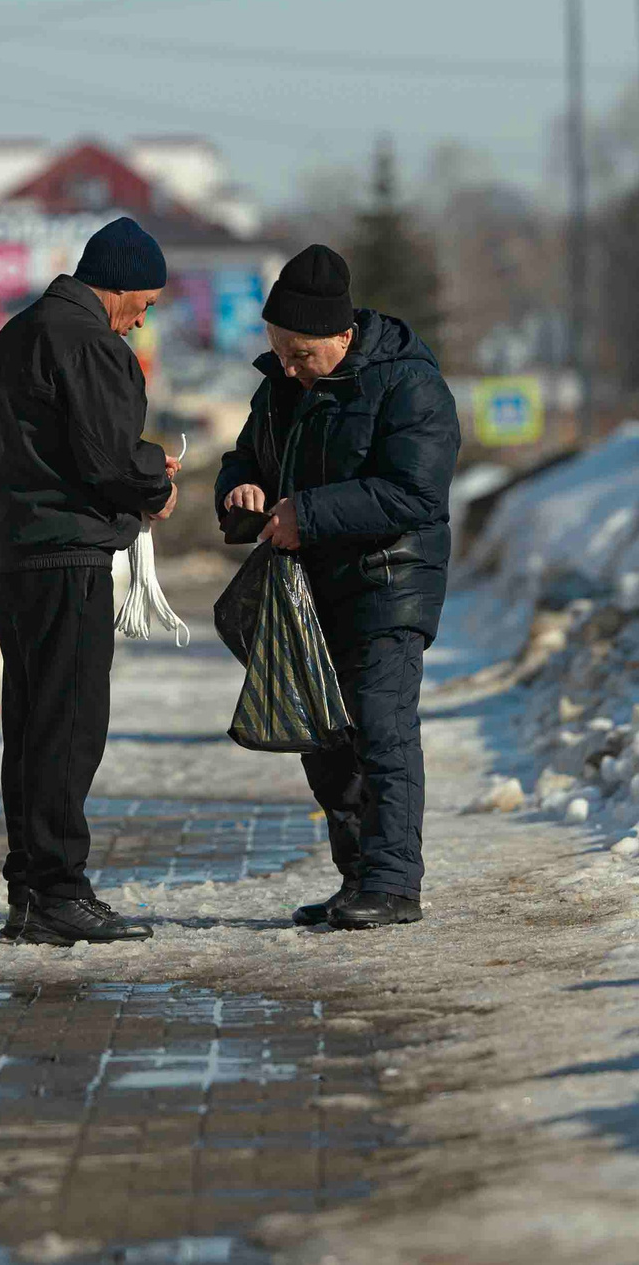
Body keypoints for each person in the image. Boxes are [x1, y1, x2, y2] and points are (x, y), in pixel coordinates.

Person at [216, 243, 459, 930]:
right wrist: (242, 492)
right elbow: (242, 458)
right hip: (307, 592)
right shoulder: (281, 387)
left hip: (388, 584)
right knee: (324, 740)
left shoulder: (408, 385)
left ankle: (393, 883)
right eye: (279, 351)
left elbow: (415, 493)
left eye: (301, 353)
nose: (289, 367)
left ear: (343, 335)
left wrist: (309, 514)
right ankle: (357, 881)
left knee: (382, 733)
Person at [0, 215, 182, 946]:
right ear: (119, 284)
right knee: (67, 726)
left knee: (33, 726)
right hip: (65, 555)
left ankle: (31, 890)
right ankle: (57, 890)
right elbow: (106, 456)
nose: (141, 318)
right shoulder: (88, 341)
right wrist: (155, 478)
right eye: (144, 302)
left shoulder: (20, 332)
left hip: (13, 552)